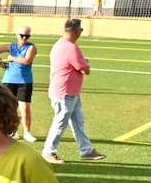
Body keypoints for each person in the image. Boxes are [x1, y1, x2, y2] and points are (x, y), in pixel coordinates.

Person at [42, 19, 106, 163]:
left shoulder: (60, 45)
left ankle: (87, 150)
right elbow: (85, 69)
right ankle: (48, 151)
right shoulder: (71, 48)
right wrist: (86, 63)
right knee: (60, 123)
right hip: (65, 92)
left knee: (78, 122)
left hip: (70, 92)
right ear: (78, 32)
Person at [0, 27, 38, 142]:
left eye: (27, 36)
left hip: (24, 81)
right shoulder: (11, 46)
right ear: (17, 35)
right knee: (9, 107)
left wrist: (12, 58)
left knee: (25, 107)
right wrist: (0, 61)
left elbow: (27, 61)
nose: (24, 38)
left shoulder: (31, 47)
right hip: (9, 79)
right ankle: (12, 131)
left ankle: (27, 132)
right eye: (22, 35)